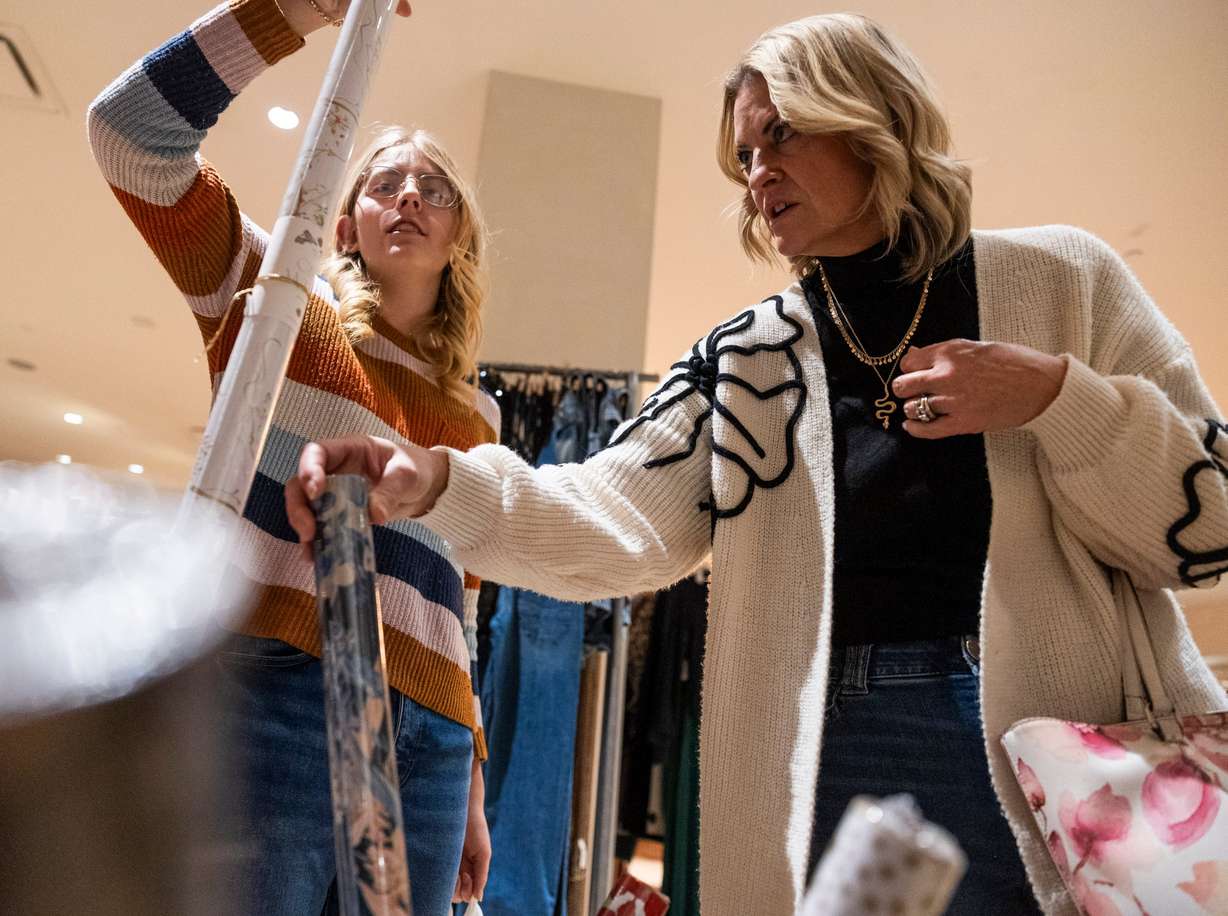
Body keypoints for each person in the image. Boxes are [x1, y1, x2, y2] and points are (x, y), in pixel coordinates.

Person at [286, 11, 1228, 916]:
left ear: (874, 120)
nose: (757, 174)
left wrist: (1057, 398)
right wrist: (439, 480)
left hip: (1065, 747)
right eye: (745, 155)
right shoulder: (748, 358)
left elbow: (1209, 522)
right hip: (835, 753)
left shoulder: (1064, 281)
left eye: (781, 137)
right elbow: (612, 514)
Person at [88, 0, 498, 911]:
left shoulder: (478, 421)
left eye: (433, 189)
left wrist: (470, 779)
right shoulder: (275, 301)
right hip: (277, 690)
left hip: (428, 739)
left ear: (459, 235)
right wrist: (292, 10)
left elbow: (459, 611)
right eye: (384, 183)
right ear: (344, 222)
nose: (409, 198)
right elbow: (129, 133)